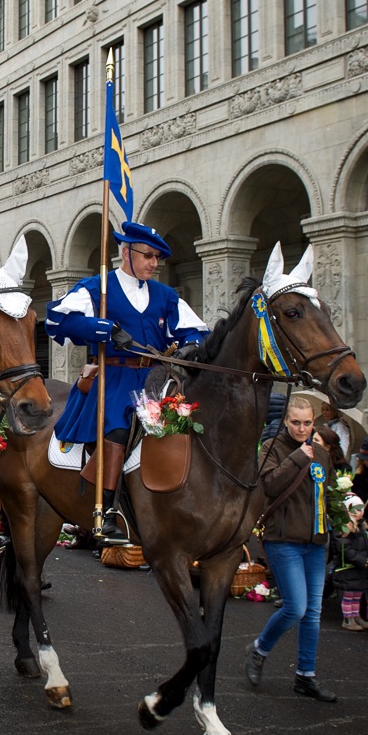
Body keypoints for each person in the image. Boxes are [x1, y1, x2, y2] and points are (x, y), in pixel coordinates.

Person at [45, 221, 210, 543]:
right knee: (119, 430)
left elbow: (196, 330)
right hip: (114, 379)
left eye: (157, 257)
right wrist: (105, 330)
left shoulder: (165, 295)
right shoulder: (98, 287)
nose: (154, 263)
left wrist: (190, 344)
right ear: (126, 252)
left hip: (157, 379)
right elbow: (58, 319)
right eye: (148, 255)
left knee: (188, 426)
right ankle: (106, 511)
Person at [244, 395, 337, 702]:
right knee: (296, 608)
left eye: (307, 423)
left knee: (312, 613)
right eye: (295, 422)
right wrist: (297, 457)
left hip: (315, 542)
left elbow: (326, 492)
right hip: (283, 541)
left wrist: (345, 510)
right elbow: (269, 485)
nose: (301, 428)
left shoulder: (321, 453)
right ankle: (259, 649)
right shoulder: (272, 448)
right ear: (285, 421)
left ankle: (305, 676)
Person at [331, 494, 368, 631]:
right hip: (349, 568)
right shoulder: (344, 527)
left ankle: (356, 616)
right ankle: (348, 618)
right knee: (349, 595)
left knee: (357, 594)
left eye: (361, 509)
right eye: (356, 509)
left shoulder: (361, 526)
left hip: (360, 568)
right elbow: (345, 548)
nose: (359, 512)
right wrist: (361, 560)